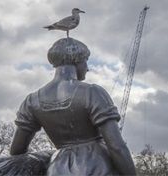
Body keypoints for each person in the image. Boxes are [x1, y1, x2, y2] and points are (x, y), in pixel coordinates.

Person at [10, 38, 137, 176]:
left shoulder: (32, 101)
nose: (87, 68)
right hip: (97, 167)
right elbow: (116, 146)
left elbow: (17, 151)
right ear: (77, 60)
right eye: (85, 61)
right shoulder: (92, 93)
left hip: (57, 170)